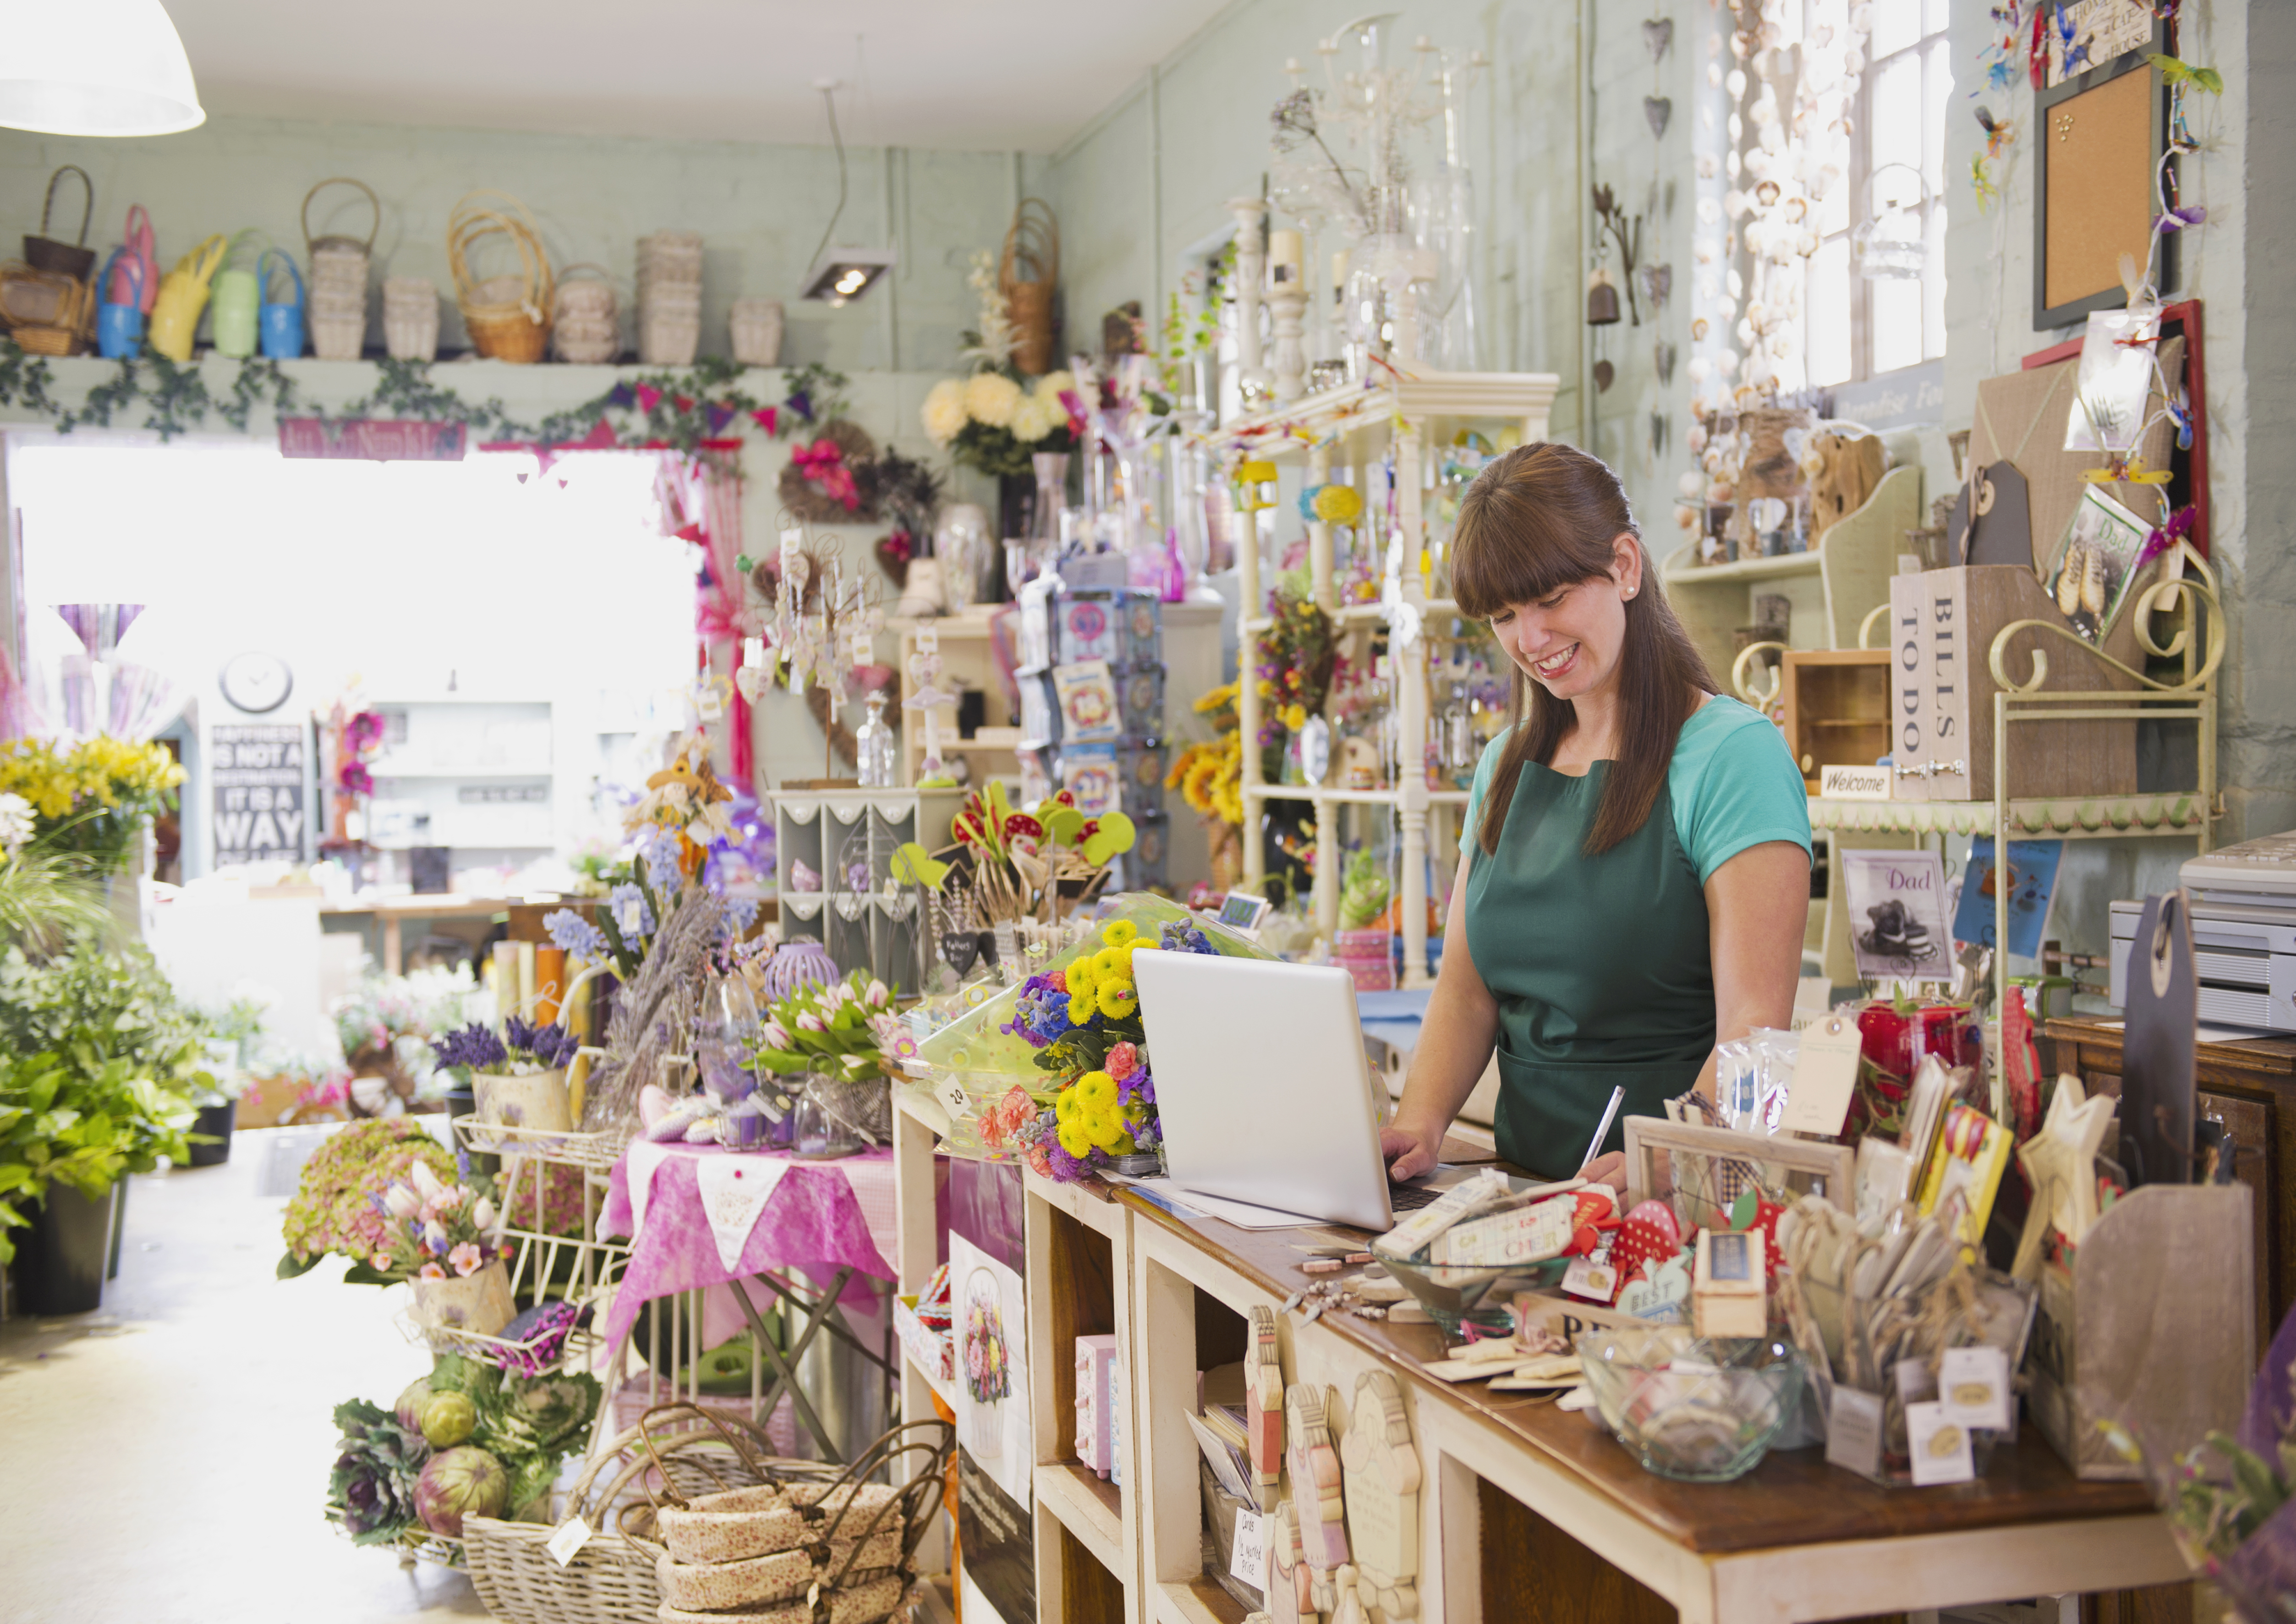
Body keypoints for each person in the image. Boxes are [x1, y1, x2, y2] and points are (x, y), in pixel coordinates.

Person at [1379, 443, 1812, 1185]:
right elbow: (1466, 988)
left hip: (1679, 1203)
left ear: (1626, 567)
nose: (1531, 640)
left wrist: (1667, 1161)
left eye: (1550, 600)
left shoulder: (1733, 757)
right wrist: (1418, 1124)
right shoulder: (1505, 767)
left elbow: (1757, 1033)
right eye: (1505, 616)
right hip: (1521, 1199)